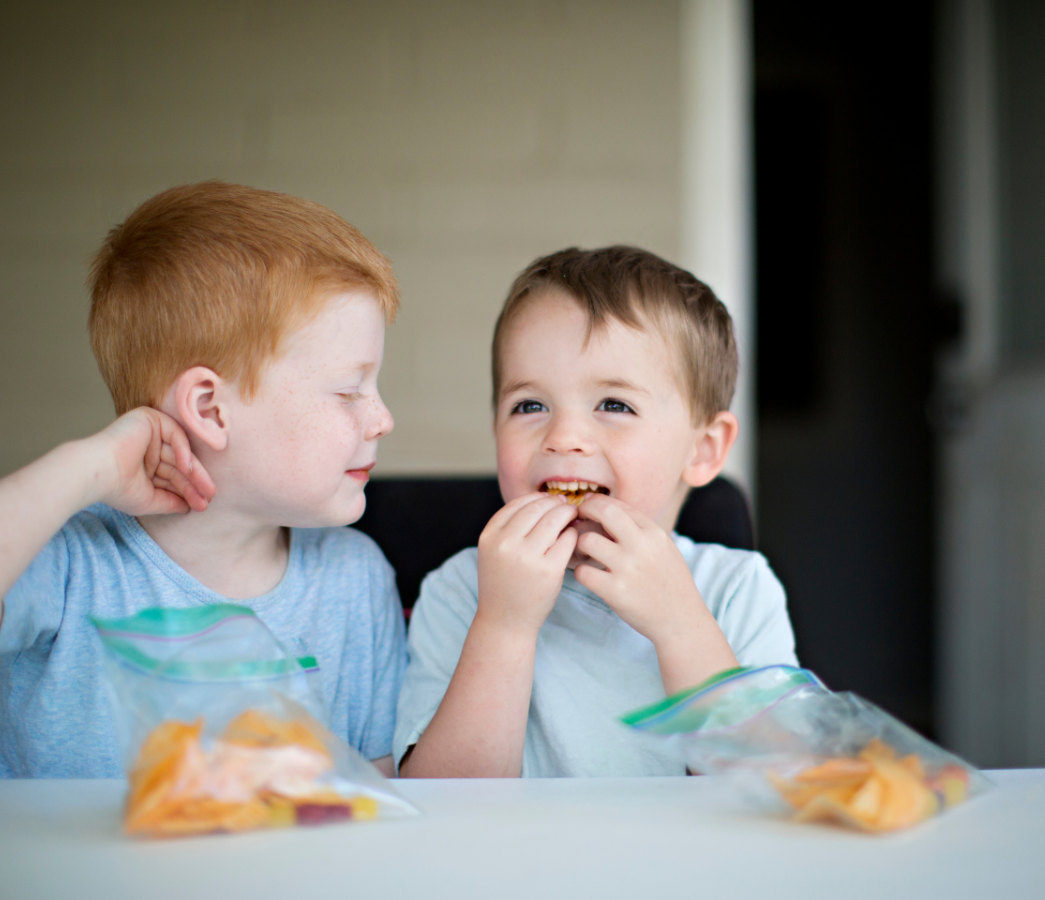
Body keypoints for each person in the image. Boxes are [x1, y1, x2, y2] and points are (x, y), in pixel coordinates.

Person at [0, 182, 405, 778]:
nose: (383, 418)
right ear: (211, 410)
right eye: (348, 390)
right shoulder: (66, 566)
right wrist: (92, 466)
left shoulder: (354, 580)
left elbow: (378, 793)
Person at [396, 246, 797, 777]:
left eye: (614, 405)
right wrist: (505, 626)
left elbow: (775, 788)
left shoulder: (737, 588)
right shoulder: (463, 591)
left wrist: (681, 627)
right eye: (529, 405)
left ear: (703, 449)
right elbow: (443, 803)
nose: (563, 437)